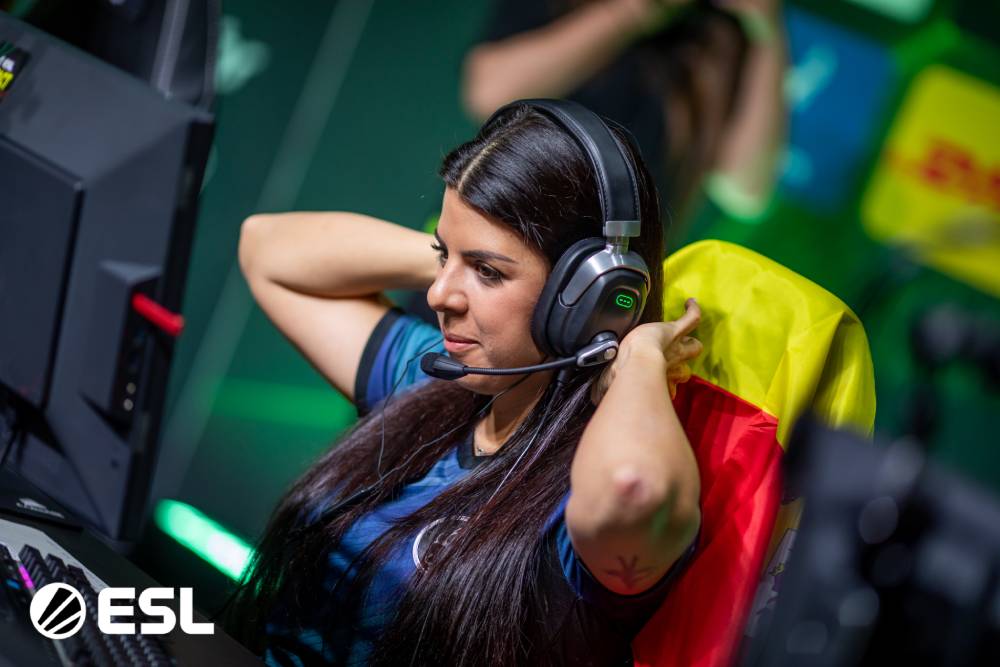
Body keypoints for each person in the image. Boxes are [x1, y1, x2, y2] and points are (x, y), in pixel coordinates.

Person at [227, 100, 704, 666]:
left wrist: (639, 355)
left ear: (585, 299)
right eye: (443, 257)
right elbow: (266, 249)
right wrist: (458, 253)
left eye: (489, 272)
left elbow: (632, 489)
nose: (437, 296)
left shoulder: (583, 493)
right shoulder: (436, 382)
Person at [463, 0, 787, 235]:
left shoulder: (722, 30)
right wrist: (637, 10)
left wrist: (765, 29)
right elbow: (490, 91)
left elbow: (747, 189)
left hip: (604, 274)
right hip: (502, 230)